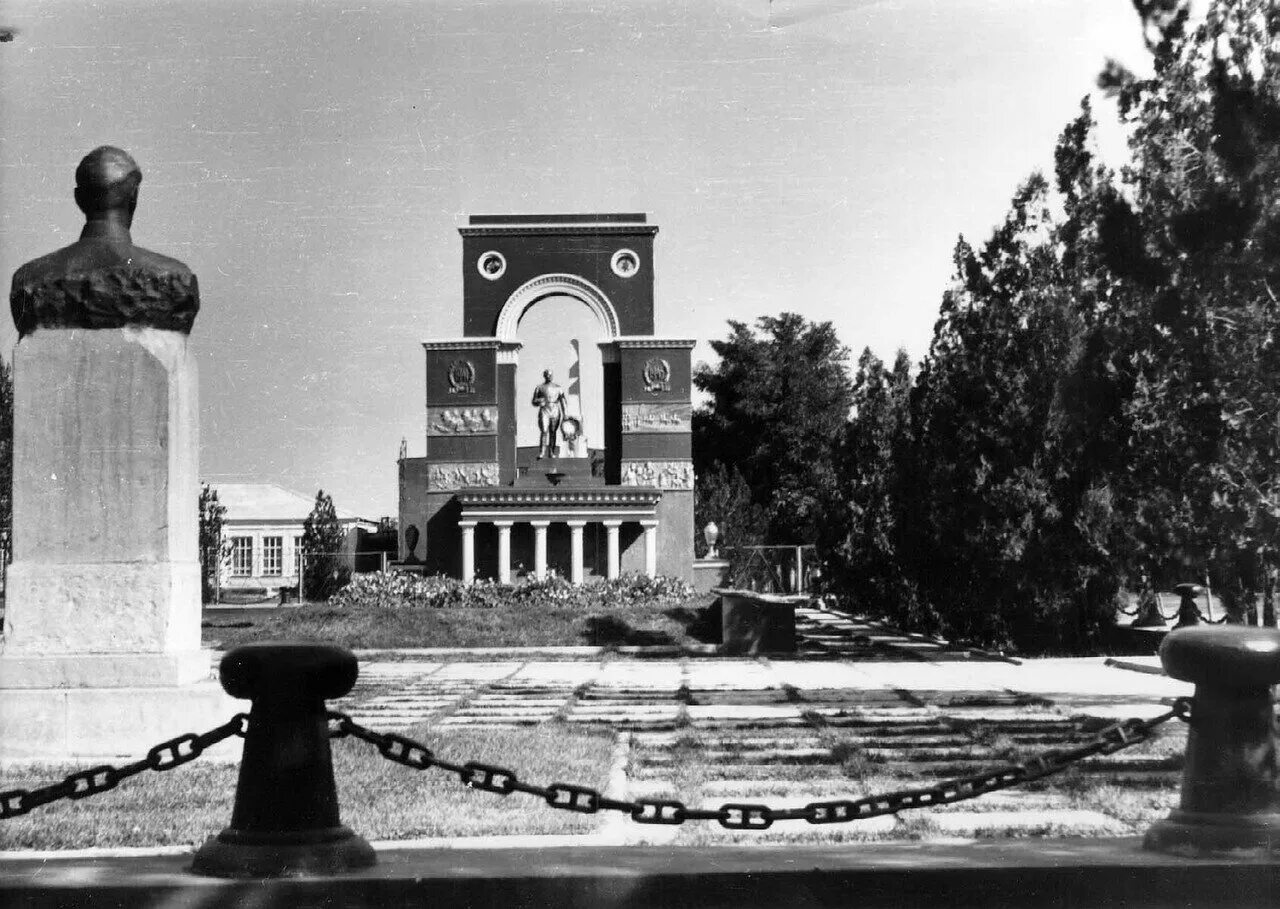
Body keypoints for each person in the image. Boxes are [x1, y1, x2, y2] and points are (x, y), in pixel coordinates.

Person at [531, 368, 566, 459]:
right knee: (544, 431)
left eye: (551, 375)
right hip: (544, 410)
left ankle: (551, 452)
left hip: (555, 409)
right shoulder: (539, 387)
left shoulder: (558, 387)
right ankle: (542, 452)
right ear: (544, 376)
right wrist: (539, 401)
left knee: (553, 432)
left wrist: (565, 414)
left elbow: (562, 401)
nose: (549, 376)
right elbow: (534, 401)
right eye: (547, 375)